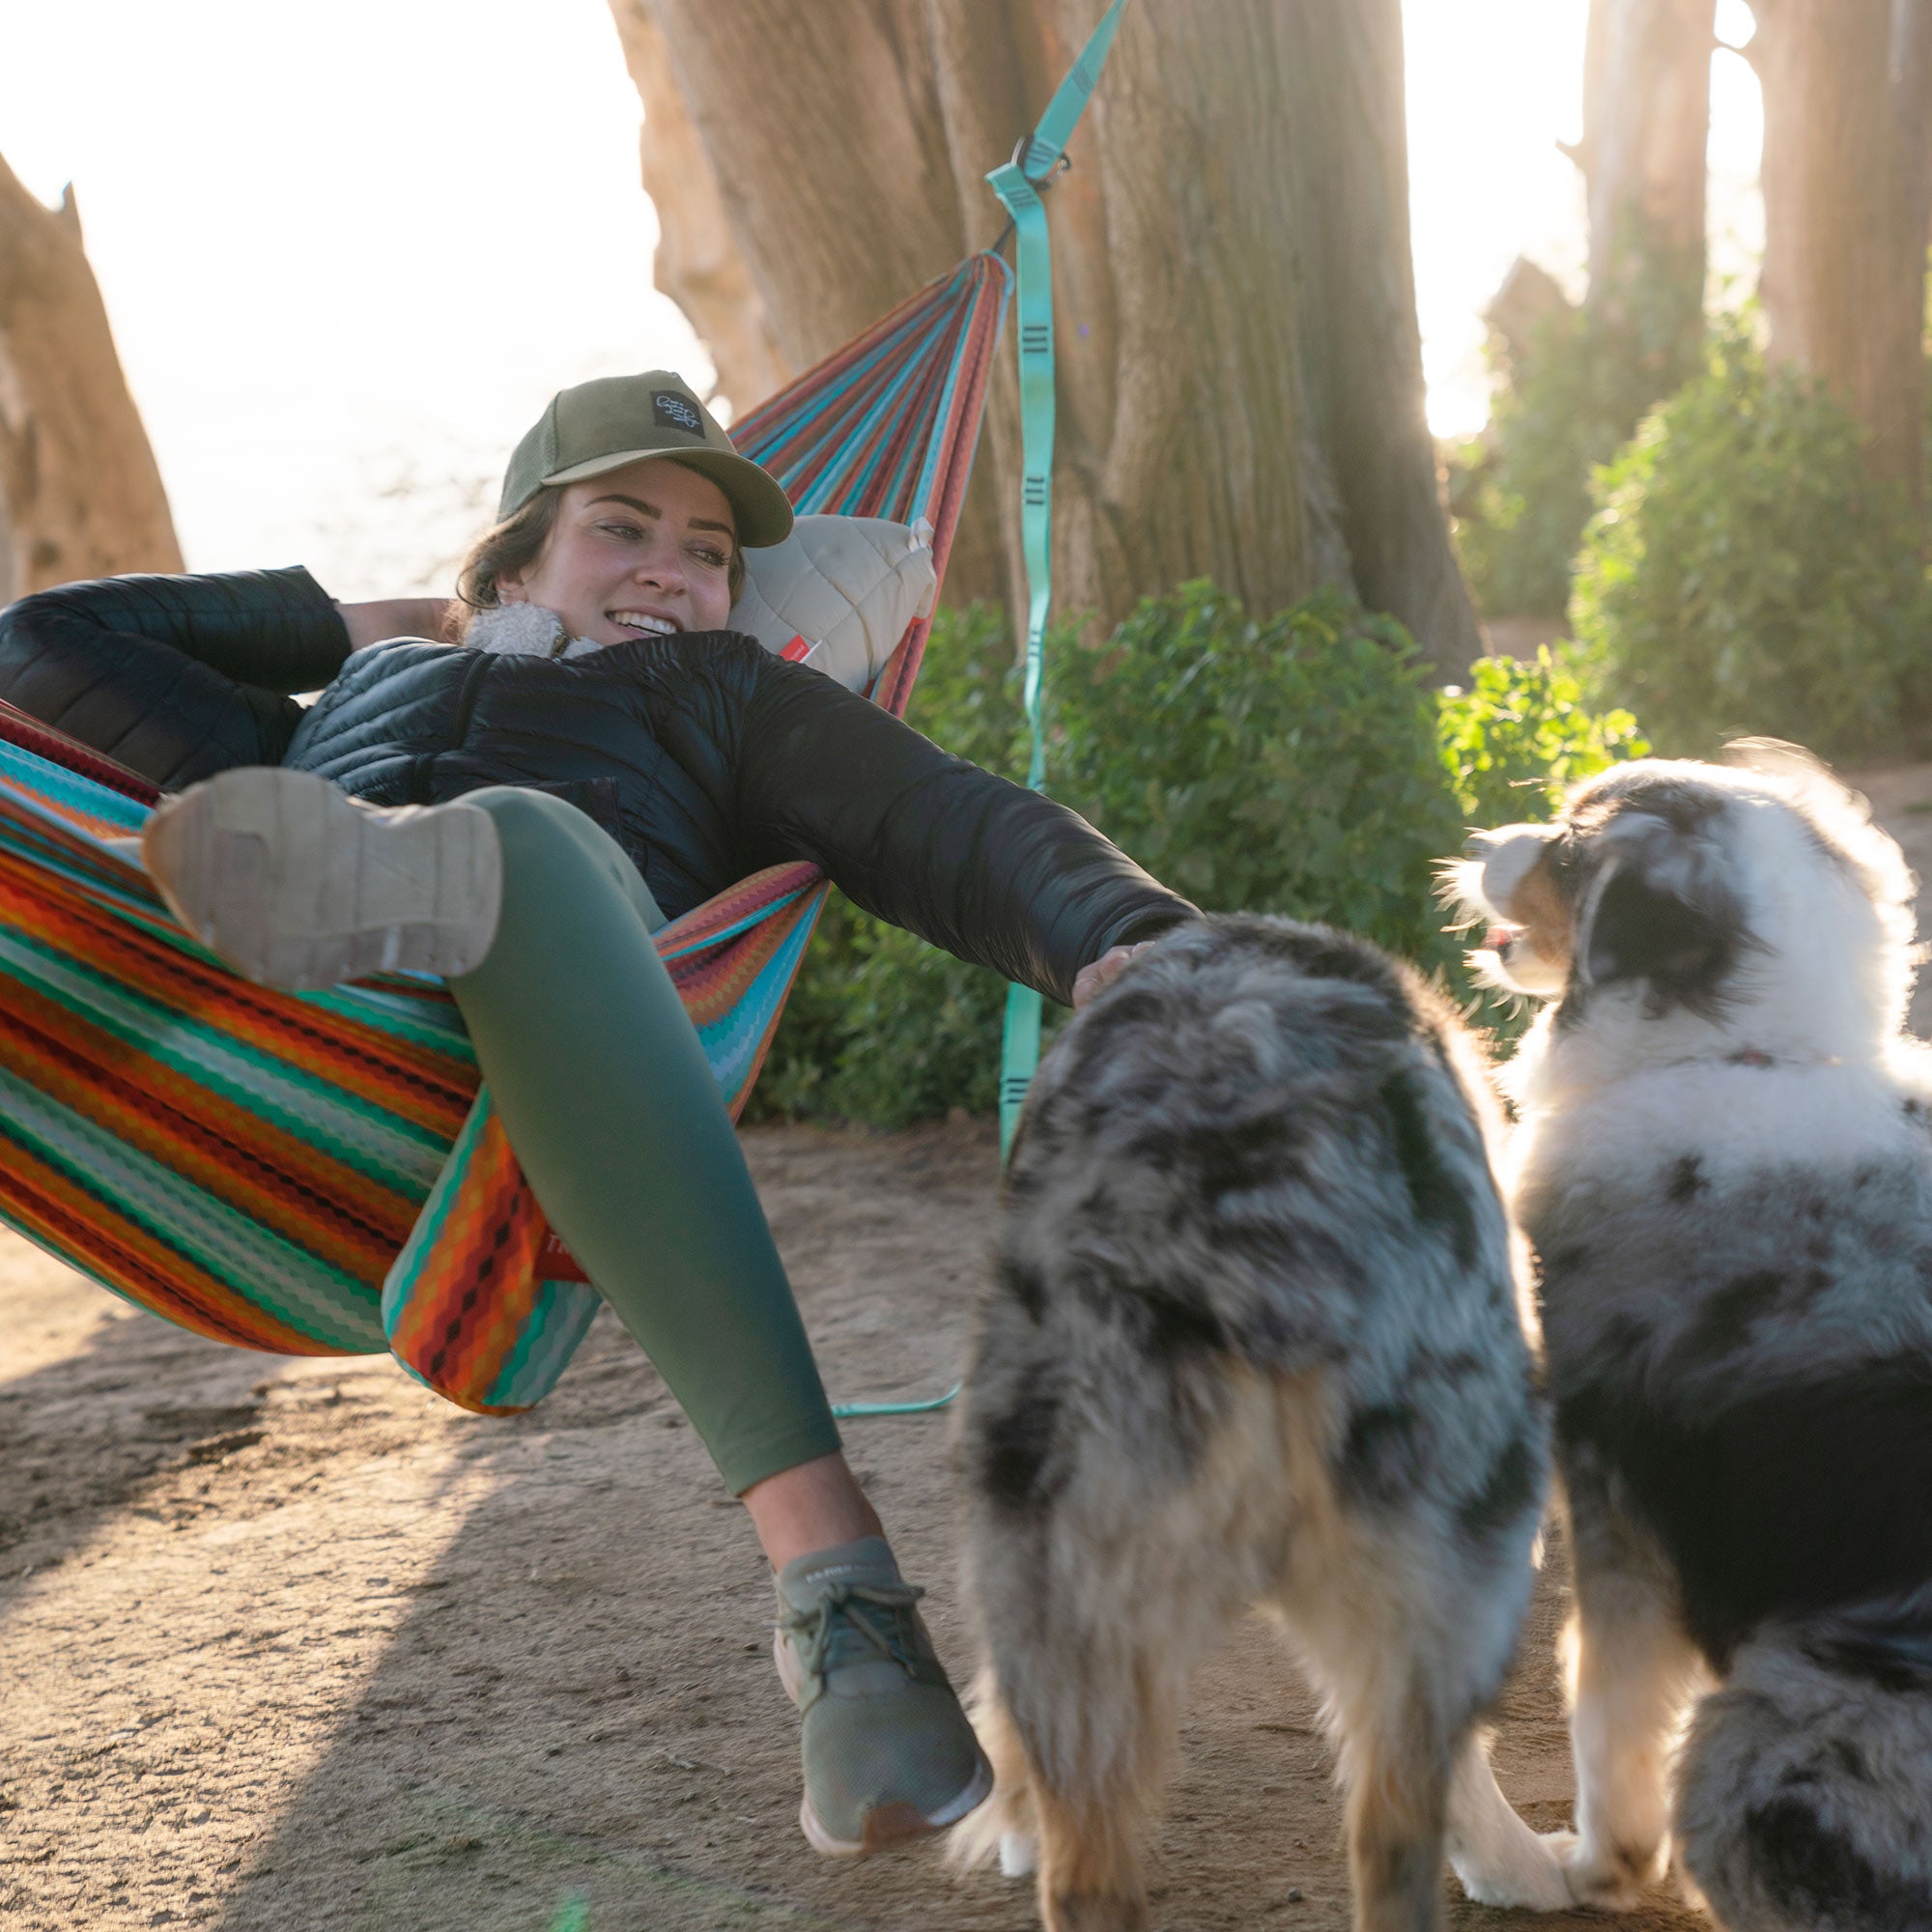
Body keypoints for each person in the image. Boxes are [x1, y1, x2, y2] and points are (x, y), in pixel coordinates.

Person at [0, 372, 1195, 1858]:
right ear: (510, 563)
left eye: (708, 556)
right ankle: (364, 897)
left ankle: (840, 1601)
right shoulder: (335, 711)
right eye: (619, 529)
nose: (671, 571)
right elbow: (45, 647)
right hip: (308, 1080)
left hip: (561, 1054)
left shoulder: (735, 697)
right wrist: (375, 630)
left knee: (516, 839)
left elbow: (949, 820)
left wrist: (1126, 934)